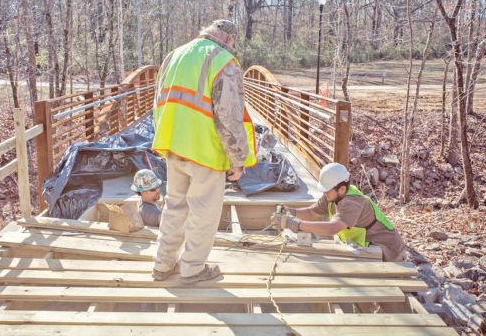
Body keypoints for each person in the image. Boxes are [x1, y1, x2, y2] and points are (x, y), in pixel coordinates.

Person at [151, 19, 257, 284]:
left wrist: (163, 137)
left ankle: (163, 265)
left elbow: (158, 100)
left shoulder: (175, 54)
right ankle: (193, 269)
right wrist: (237, 158)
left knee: (175, 207)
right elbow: (229, 115)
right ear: (229, 40)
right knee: (203, 212)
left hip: (174, 144)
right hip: (205, 150)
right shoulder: (223, 60)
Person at [272, 162, 405, 262]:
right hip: (368, 244)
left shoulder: (353, 203)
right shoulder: (332, 195)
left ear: (342, 189)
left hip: (387, 248)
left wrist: (294, 223)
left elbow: (332, 228)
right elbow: (312, 212)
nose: (324, 193)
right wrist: (291, 212)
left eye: (327, 190)